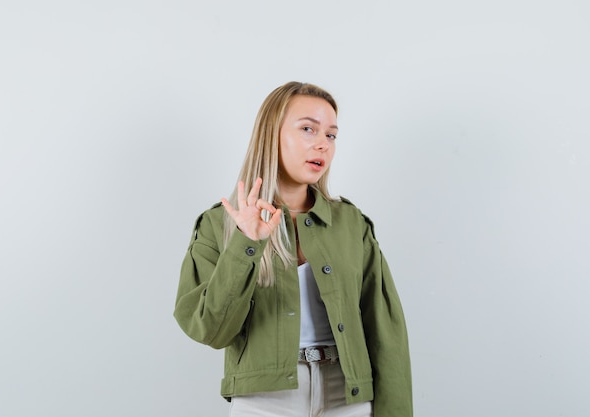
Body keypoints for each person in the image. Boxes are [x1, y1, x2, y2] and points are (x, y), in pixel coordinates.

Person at [174, 81, 412, 416]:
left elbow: (386, 332)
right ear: (271, 135)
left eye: (330, 135)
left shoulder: (351, 224)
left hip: (347, 394)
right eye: (307, 129)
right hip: (264, 399)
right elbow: (210, 330)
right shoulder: (219, 225)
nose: (322, 145)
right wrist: (248, 242)